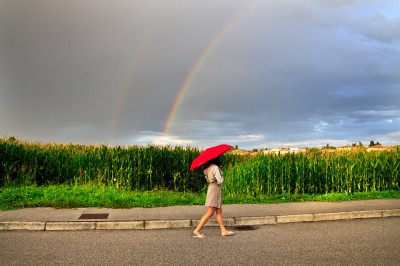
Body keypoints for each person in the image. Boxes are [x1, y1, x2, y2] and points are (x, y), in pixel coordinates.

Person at [193, 157, 234, 238]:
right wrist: (222, 177)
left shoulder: (207, 168)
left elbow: (208, 180)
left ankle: (223, 231)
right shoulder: (215, 167)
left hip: (212, 188)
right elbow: (219, 181)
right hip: (215, 189)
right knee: (210, 212)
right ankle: (197, 230)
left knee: (219, 212)